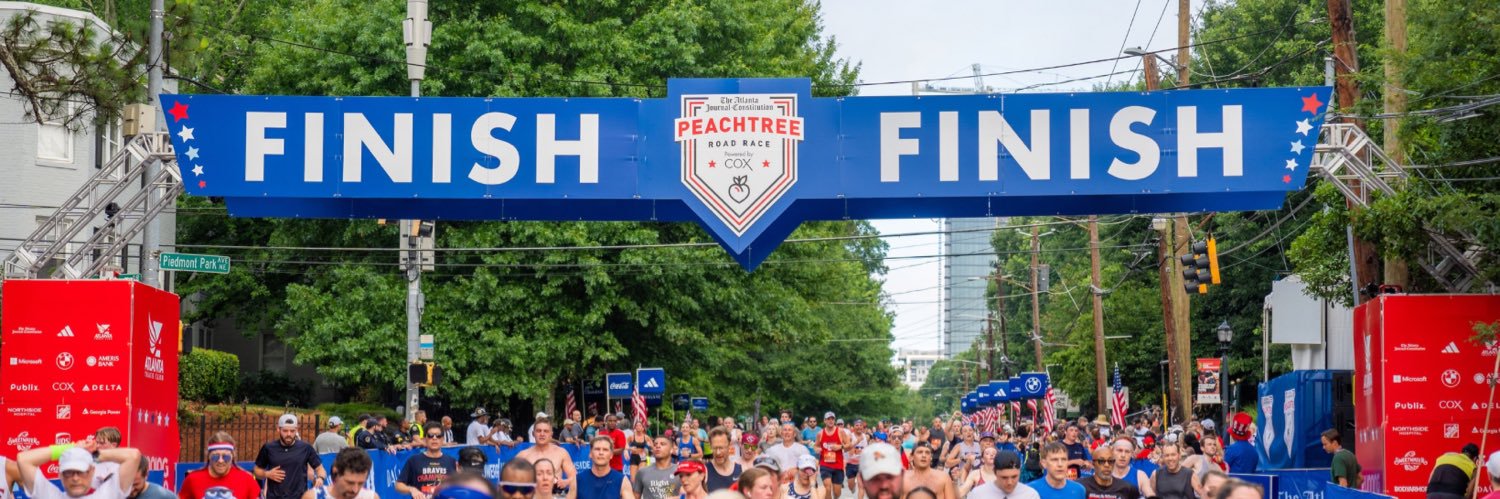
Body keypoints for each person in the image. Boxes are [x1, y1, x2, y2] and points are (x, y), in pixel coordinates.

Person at [17, 440, 140, 499]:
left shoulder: (106, 496)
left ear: (91, 472)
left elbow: (133, 456)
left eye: (81, 472)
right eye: (69, 472)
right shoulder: (49, 496)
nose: (75, 478)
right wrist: (71, 448)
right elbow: (23, 459)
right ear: (60, 475)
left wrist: (94, 454)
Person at [256, 414, 327, 499]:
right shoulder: (269, 448)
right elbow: (256, 471)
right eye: (285, 431)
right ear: (278, 429)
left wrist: (320, 478)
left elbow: (320, 469)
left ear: (296, 430)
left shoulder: (305, 447)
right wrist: (267, 474)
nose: (289, 434)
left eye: (292, 431)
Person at [181, 432, 263, 499]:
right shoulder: (192, 479)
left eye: (225, 456)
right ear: (209, 456)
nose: (220, 461)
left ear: (232, 456)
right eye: (215, 456)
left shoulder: (247, 479)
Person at [398, 423, 460, 499]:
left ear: (442, 439)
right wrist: (412, 489)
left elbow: (459, 486)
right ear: (424, 439)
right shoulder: (414, 460)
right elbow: (399, 485)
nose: (434, 438)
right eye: (430, 435)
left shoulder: (451, 461)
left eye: (438, 435)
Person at [519, 419, 580, 492]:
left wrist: (566, 482)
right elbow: (511, 480)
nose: (542, 434)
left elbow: (575, 476)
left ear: (551, 434)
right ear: (533, 433)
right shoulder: (523, 455)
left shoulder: (561, 453)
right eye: (538, 431)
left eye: (546, 431)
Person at [301, 448, 375, 499]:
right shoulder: (314, 497)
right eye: (350, 483)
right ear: (336, 473)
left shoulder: (370, 497)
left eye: (360, 483)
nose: (355, 490)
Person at [966, 451, 1040, 499]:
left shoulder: (1031, 495)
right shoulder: (978, 494)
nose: (1009, 482)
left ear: (1020, 472)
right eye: (1004, 477)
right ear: (995, 472)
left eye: (1014, 477)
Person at [814, 412, 850, 499]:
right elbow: (816, 445)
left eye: (832, 419)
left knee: (837, 493)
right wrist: (817, 449)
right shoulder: (820, 433)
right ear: (824, 421)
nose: (830, 421)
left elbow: (849, 445)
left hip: (838, 465)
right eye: (828, 419)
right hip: (825, 464)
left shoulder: (840, 431)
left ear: (834, 420)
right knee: (827, 487)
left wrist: (840, 447)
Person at [845, 420, 869, 499]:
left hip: (861, 464)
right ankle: (852, 487)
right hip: (851, 464)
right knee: (850, 486)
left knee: (861, 486)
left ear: (863, 427)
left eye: (860, 425)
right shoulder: (850, 437)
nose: (859, 427)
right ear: (853, 427)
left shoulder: (866, 437)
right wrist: (857, 442)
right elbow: (850, 452)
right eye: (857, 425)